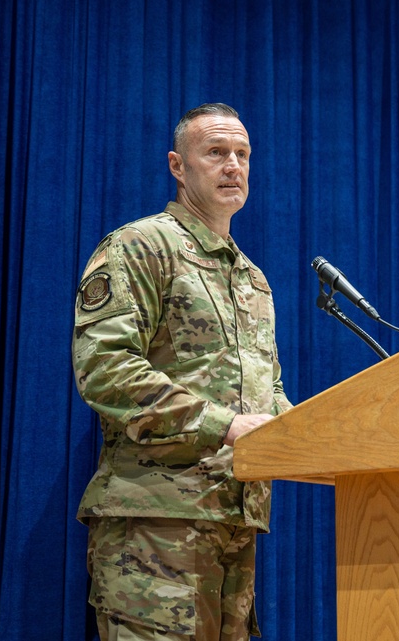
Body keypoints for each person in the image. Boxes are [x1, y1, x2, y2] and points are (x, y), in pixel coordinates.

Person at [72, 103, 293, 640]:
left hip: (237, 523)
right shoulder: (142, 246)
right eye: (216, 153)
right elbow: (104, 367)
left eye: (242, 154)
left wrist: (313, 436)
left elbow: (271, 392)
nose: (233, 166)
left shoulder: (253, 279)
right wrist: (224, 424)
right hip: (156, 525)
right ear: (178, 166)